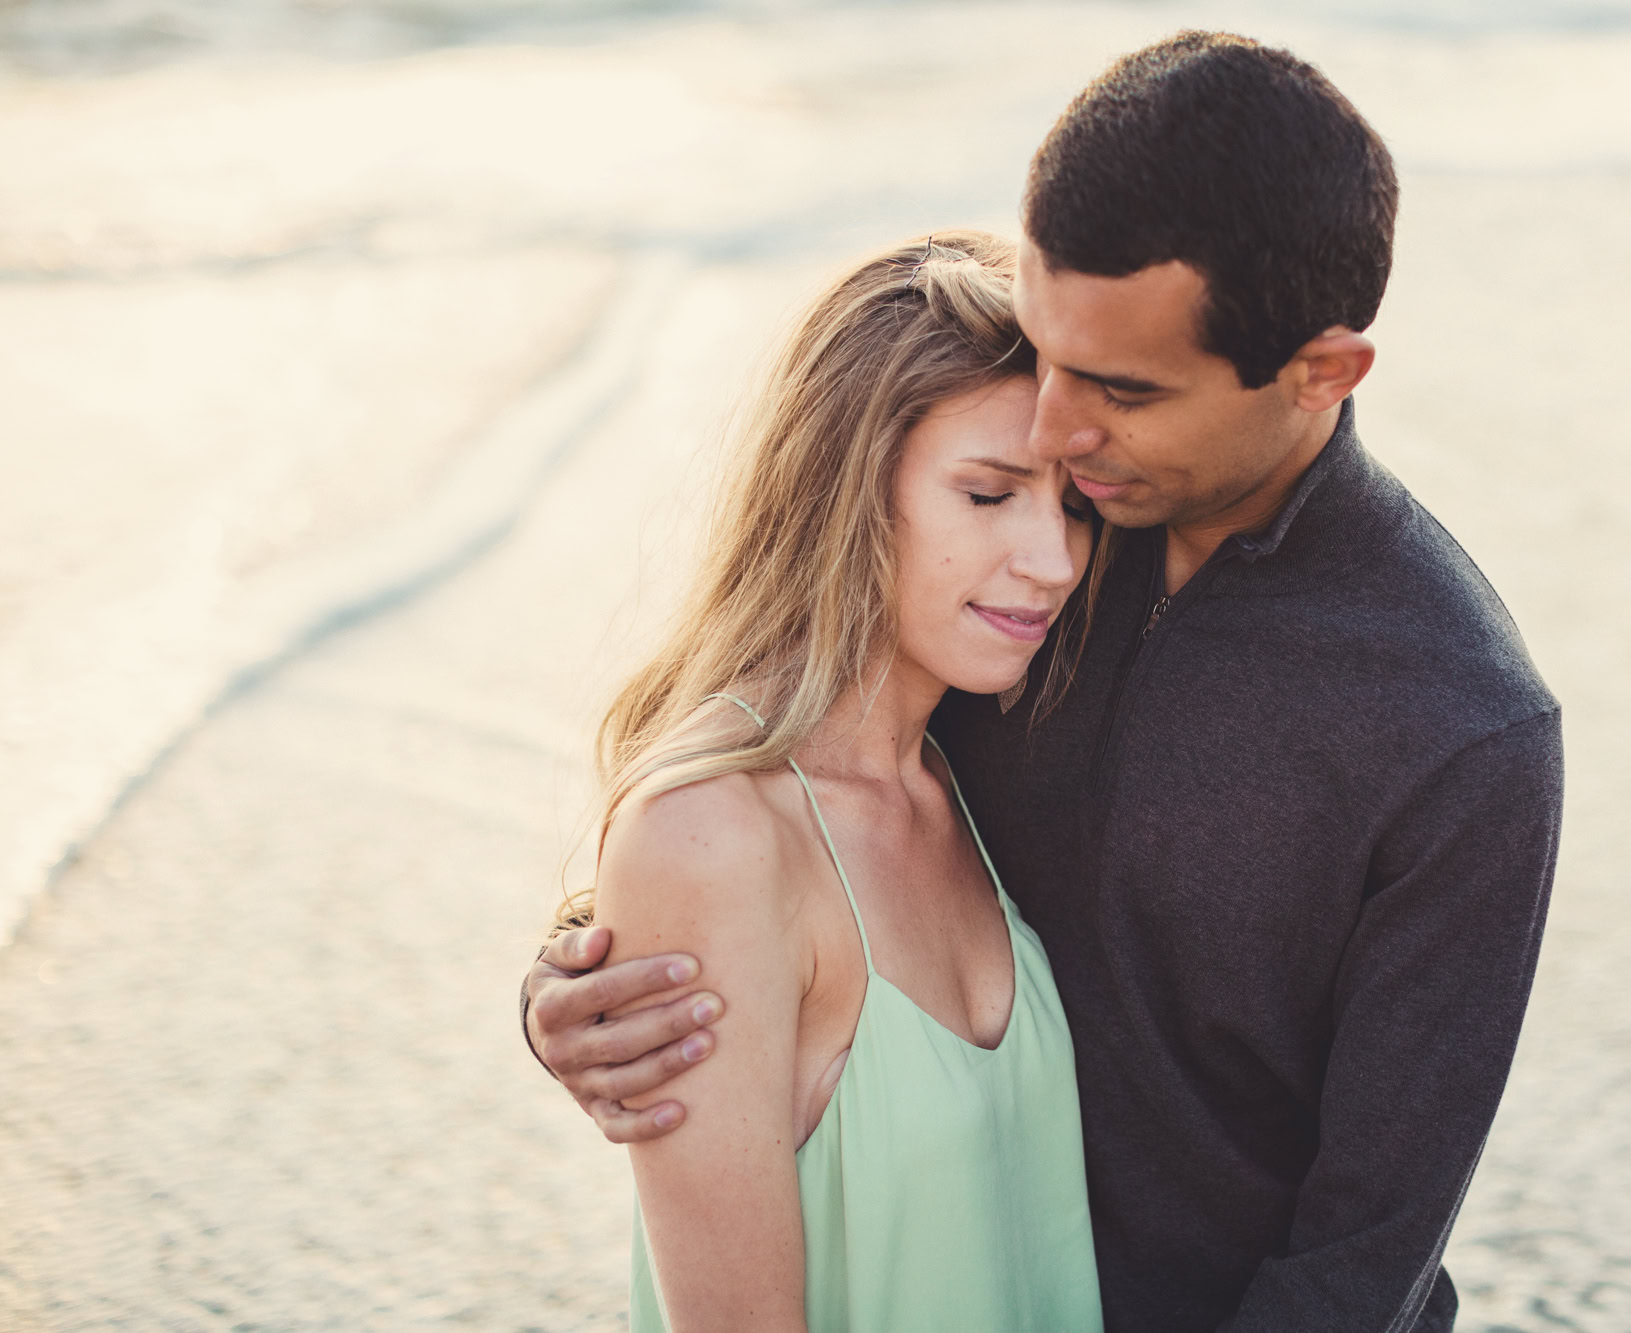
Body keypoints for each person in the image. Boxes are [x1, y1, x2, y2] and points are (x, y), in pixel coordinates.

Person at [526, 32, 1563, 1333]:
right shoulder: (1031, 542)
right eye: (1049, 355)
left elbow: (1360, 1257)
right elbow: (769, 802)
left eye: (1117, 391)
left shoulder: (1461, 732)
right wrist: (588, 987)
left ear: (1320, 375)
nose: (1059, 429)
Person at [562, 230, 1106, 1331]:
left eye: (1077, 505)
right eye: (989, 494)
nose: (1051, 557)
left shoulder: (972, 776)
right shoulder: (710, 834)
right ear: (849, 489)